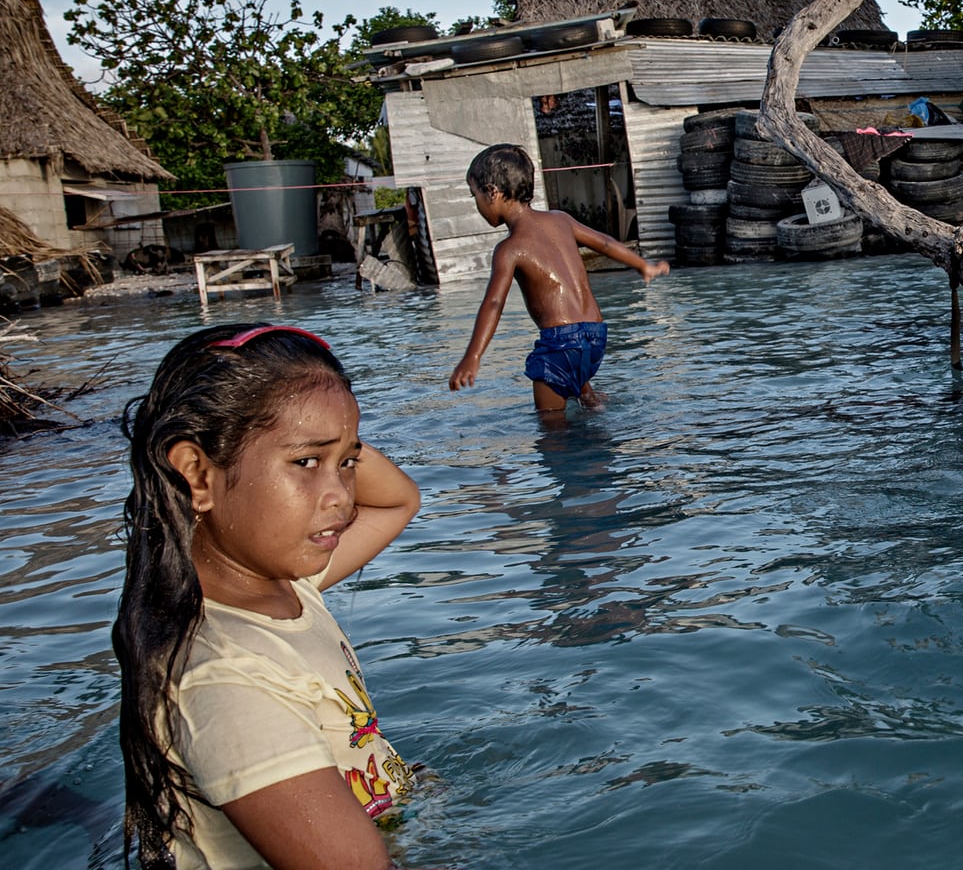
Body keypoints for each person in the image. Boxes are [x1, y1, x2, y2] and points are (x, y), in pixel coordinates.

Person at [113, 323, 423, 869]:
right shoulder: (225, 678)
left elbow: (397, 502)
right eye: (305, 463)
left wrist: (326, 431)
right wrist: (329, 435)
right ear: (196, 475)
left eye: (348, 464)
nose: (342, 499)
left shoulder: (289, 589)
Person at [449, 143, 669, 415]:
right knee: (575, 364)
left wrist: (473, 356)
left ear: (492, 192)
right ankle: (590, 399)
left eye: (475, 196)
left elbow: (494, 304)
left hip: (560, 342)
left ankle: (565, 442)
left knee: (551, 428)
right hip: (596, 335)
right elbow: (606, 243)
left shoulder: (509, 249)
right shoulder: (561, 219)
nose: (477, 206)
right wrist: (642, 266)